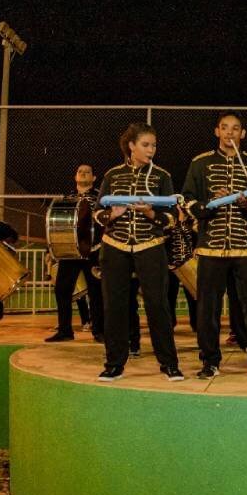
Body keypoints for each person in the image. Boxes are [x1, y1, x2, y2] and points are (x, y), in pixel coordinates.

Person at [182, 111, 247, 380]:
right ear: (217, 132)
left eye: (235, 129)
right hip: (211, 247)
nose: (230, 133)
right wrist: (208, 204)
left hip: (246, 247)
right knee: (207, 307)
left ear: (242, 134)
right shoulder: (200, 163)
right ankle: (209, 360)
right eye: (225, 128)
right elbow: (188, 201)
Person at [94, 123, 183, 381]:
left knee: (158, 305)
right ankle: (114, 364)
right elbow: (98, 213)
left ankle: (169, 363)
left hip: (150, 246)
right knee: (115, 307)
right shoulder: (112, 175)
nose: (151, 150)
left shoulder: (162, 176)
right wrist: (112, 214)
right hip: (115, 246)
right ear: (131, 146)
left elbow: (172, 219)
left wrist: (151, 213)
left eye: (154, 145)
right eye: (145, 145)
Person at [46, 164, 104, 343]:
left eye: (88, 171)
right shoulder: (67, 198)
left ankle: (99, 331)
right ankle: (65, 330)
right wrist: (52, 249)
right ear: (75, 177)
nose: (83, 173)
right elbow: (56, 225)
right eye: (80, 171)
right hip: (70, 251)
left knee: (96, 293)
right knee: (62, 289)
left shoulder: (101, 197)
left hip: (94, 251)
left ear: (94, 178)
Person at [165, 208, 198, 332]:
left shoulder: (192, 221)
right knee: (169, 295)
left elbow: (197, 238)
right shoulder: (167, 221)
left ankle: (197, 324)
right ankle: (169, 324)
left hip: (188, 262)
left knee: (194, 295)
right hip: (169, 264)